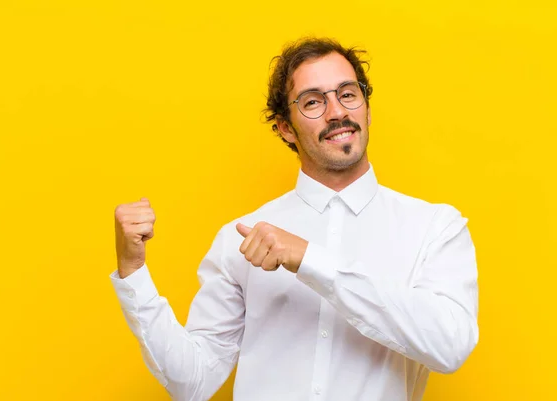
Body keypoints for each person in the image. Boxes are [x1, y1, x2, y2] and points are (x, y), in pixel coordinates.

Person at [110, 37, 479, 401]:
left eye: (348, 93)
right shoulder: (240, 238)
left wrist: (309, 259)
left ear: (366, 107)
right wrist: (133, 271)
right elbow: (192, 383)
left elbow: (450, 347)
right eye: (313, 102)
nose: (337, 112)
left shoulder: (434, 228)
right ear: (285, 127)